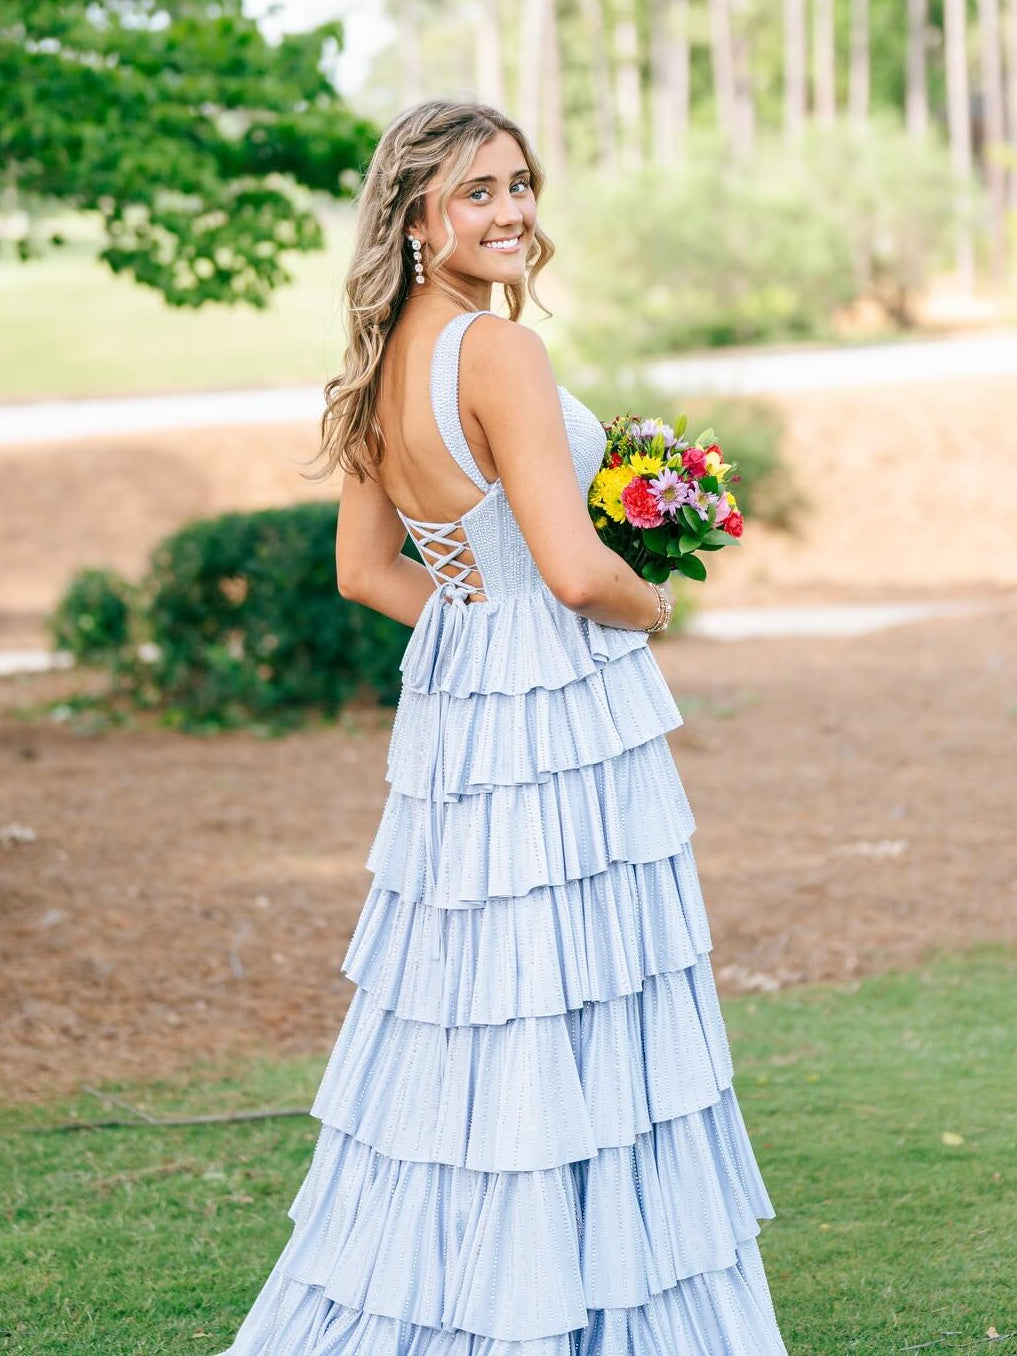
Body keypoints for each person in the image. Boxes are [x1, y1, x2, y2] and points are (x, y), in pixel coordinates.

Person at [215, 98, 789, 1355]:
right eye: (479, 191)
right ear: (419, 215)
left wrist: (480, 628)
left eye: (521, 184)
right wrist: (650, 608)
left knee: (483, 1005)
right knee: (583, 992)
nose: (514, 211)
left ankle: (476, 1288)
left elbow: (368, 573)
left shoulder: (380, 364)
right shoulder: (497, 353)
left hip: (465, 724)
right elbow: (579, 573)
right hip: (560, 715)